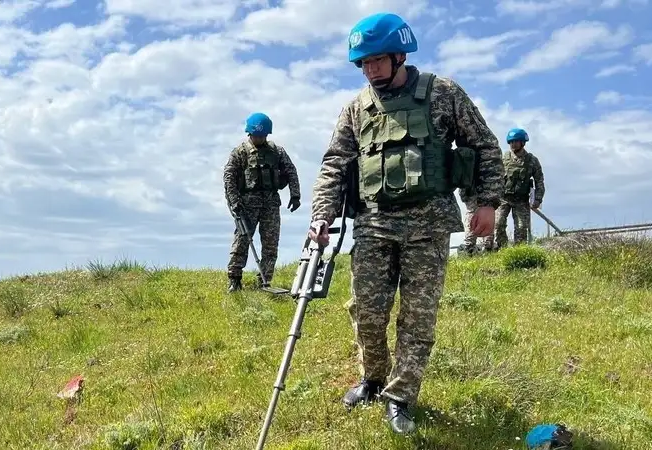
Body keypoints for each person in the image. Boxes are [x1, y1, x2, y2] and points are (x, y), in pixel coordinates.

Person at [307, 12, 504, 434]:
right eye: (363, 63)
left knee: (417, 318)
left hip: (428, 225)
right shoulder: (357, 108)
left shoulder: (442, 93)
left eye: (376, 60)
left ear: (399, 54)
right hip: (374, 224)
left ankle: (401, 397)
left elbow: (484, 145)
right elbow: (334, 164)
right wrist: (321, 215)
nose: (370, 69)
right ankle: (373, 379)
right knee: (366, 311)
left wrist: (486, 202)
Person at [223, 112, 301, 292]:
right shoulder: (240, 153)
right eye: (257, 135)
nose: (260, 139)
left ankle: (264, 281)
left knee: (271, 244)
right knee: (242, 241)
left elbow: (291, 171)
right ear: (249, 134)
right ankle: (234, 279)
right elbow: (229, 178)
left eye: (263, 136)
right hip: (247, 205)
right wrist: (234, 203)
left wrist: (295, 195)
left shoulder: (277, 152)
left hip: (271, 204)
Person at [489, 127, 545, 249]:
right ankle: (501, 250)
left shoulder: (532, 161)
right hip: (503, 198)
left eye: (516, 142)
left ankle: (518, 252)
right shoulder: (503, 158)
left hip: (521, 200)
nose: (513, 144)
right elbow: (494, 176)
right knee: (498, 224)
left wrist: (538, 199)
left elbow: (539, 181)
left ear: (522, 143)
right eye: (511, 142)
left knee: (521, 227)